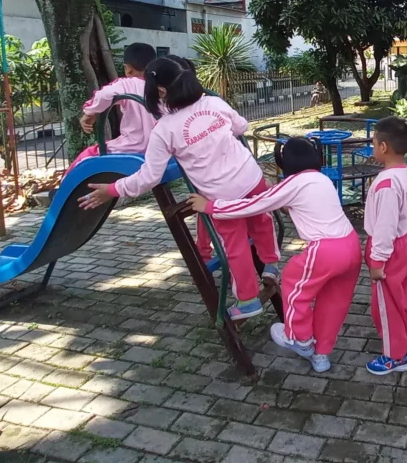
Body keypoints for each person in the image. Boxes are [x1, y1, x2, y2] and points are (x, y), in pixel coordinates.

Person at [78, 55, 280, 321]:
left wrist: (113, 189)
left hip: (221, 196)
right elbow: (241, 126)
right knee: (261, 220)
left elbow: (149, 177)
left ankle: (247, 298)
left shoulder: (165, 129)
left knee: (236, 245)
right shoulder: (213, 102)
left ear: (160, 91)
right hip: (251, 178)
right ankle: (271, 263)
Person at [186, 137, 361, 373]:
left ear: (284, 165)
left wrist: (211, 206)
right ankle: (321, 356)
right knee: (333, 303)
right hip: (351, 246)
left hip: (325, 249)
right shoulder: (322, 179)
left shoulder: (292, 184)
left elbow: (251, 205)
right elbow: (298, 204)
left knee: (292, 280)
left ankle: (298, 338)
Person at [364, 117, 407, 375]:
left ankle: (396, 355)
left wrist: (377, 261)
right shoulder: (401, 172)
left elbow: (385, 226)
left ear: (384, 147)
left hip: (389, 248)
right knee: (403, 296)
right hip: (404, 242)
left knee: (385, 305)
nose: (372, 147)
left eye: (374, 143)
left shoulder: (387, 184)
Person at [68, 43, 158, 173]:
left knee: (88, 155)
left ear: (128, 69)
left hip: (133, 147)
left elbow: (104, 95)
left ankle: (63, 190)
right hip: (159, 148)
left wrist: (89, 113)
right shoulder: (161, 86)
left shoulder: (126, 84)